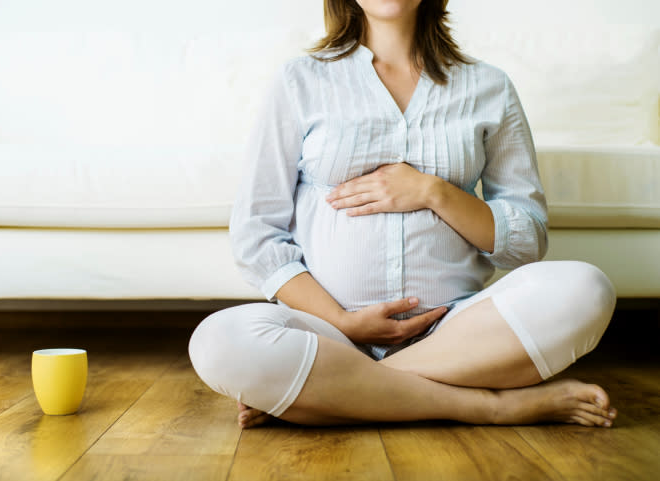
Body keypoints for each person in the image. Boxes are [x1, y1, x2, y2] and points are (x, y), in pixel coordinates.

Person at [188, 0, 618, 429]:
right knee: (217, 342)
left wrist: (433, 191)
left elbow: (526, 239)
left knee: (587, 288)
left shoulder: (489, 86)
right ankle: (492, 407)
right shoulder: (299, 80)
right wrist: (343, 323)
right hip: (329, 336)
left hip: (459, 332)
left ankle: (330, 393)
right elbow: (256, 235)